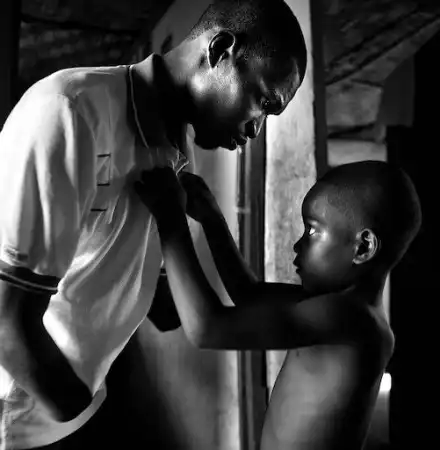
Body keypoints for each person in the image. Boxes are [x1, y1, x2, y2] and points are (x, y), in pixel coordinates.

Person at [0, 1, 307, 448]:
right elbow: (6, 319)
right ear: (219, 49)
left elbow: (164, 309)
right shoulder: (70, 111)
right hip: (22, 422)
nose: (256, 130)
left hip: (81, 403)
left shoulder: (176, 150)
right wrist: (73, 404)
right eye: (263, 103)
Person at [134, 160, 422, 450]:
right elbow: (248, 294)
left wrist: (169, 217)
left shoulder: (352, 321)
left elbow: (207, 329)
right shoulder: (339, 307)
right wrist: (211, 218)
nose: (297, 245)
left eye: (312, 231)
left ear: (363, 247)